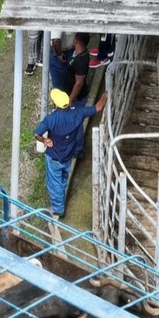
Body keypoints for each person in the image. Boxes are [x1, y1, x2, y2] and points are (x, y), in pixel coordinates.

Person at [34, 89, 108, 218]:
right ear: (68, 103)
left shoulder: (51, 119)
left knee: (54, 182)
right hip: (69, 155)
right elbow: (98, 107)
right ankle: (61, 194)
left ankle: (57, 209)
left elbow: (37, 134)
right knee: (63, 177)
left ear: (55, 104)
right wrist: (105, 95)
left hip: (54, 156)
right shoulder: (78, 113)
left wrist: (45, 140)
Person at [64, 32, 90, 157]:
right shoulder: (80, 54)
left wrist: (70, 99)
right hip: (75, 95)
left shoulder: (81, 60)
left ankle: (78, 149)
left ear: (76, 41)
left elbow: (79, 83)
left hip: (78, 98)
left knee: (77, 122)